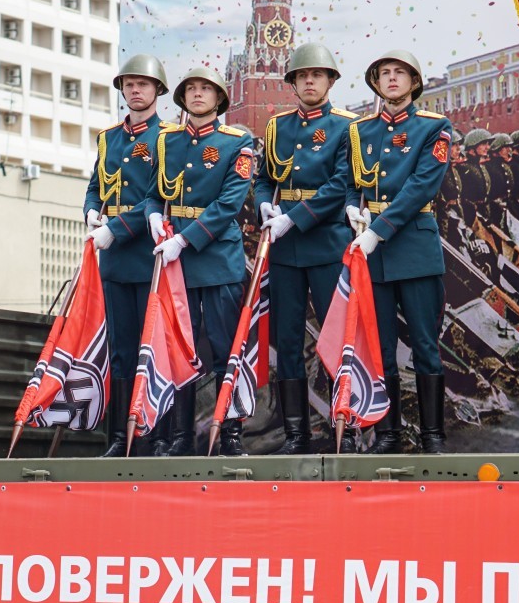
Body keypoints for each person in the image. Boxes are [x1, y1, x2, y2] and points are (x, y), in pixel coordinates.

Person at [342, 49, 453, 454]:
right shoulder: (360, 131)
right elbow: (353, 182)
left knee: (425, 343)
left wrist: (378, 231)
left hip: (414, 248)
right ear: (375, 82)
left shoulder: (434, 127)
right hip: (373, 257)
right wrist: (352, 208)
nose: (391, 79)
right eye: (384, 73)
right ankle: (388, 434)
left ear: (414, 82)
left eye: (400, 73)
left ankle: (432, 435)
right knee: (378, 346)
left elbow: (421, 187)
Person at [144, 66, 256, 457]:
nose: (197, 94)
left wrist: (184, 241)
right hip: (180, 266)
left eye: (205, 89)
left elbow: (228, 204)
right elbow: (154, 192)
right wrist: (154, 215)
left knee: (226, 349)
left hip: (217, 256)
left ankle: (230, 434)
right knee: (181, 349)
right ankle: (181, 437)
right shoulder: (168, 141)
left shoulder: (237, 142)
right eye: (190, 88)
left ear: (220, 98)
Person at [255, 43, 357, 454]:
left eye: (317, 75)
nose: (309, 81)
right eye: (302, 76)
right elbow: (264, 177)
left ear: (331, 81)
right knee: (288, 340)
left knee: (336, 340)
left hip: (325, 243)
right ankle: (297, 434)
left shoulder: (347, 126)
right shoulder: (277, 127)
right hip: (283, 252)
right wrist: (263, 200)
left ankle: (344, 430)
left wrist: (292, 218)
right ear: (293, 83)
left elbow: (340, 186)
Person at [84, 54, 170, 458]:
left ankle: (154, 434)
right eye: (129, 84)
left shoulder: (168, 137)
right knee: (120, 348)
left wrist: (114, 229)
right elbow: (94, 187)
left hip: (149, 253)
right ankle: (122, 436)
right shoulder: (108, 138)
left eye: (143, 84)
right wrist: (89, 210)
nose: (135, 90)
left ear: (157, 91)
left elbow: (157, 198)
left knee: (149, 348)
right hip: (114, 257)